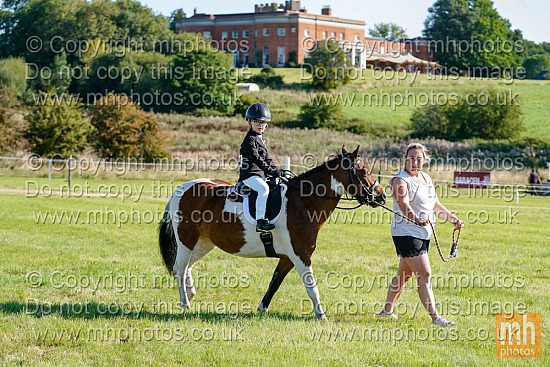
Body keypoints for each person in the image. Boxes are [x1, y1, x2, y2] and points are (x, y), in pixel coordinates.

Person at [377, 143, 464, 327]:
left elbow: (435, 205)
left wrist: (452, 218)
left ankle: (386, 311)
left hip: (424, 233)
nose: (415, 162)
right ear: (405, 159)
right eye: (411, 158)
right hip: (406, 233)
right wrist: (415, 218)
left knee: (404, 275)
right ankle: (436, 319)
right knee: (424, 274)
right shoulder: (399, 180)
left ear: (424, 160)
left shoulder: (426, 178)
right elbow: (403, 204)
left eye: (419, 158)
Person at [238, 103, 282, 232]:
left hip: (260, 175)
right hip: (249, 176)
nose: (260, 125)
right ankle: (260, 221)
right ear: (249, 122)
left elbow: (267, 158)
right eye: (257, 122)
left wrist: (277, 171)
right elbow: (258, 159)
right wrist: (271, 171)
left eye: (263, 122)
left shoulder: (261, 139)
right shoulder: (249, 140)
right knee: (263, 189)